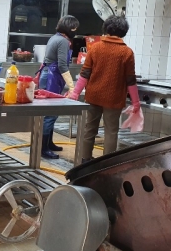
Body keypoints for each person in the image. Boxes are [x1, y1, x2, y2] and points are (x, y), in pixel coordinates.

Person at [68, 16, 140, 161]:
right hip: (114, 99)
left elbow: (85, 74)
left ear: (106, 28)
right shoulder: (127, 52)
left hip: (93, 96)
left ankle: (85, 160)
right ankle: (106, 164)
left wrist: (75, 93)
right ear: (124, 31)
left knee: (90, 129)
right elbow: (130, 80)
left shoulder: (95, 48)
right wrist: (136, 102)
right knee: (111, 132)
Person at [39, 15, 79, 160]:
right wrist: (72, 86)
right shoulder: (63, 41)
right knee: (50, 113)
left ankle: (48, 143)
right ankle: (43, 148)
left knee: (50, 112)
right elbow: (62, 65)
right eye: (75, 28)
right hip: (52, 77)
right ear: (70, 28)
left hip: (47, 75)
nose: (76, 30)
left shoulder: (54, 37)